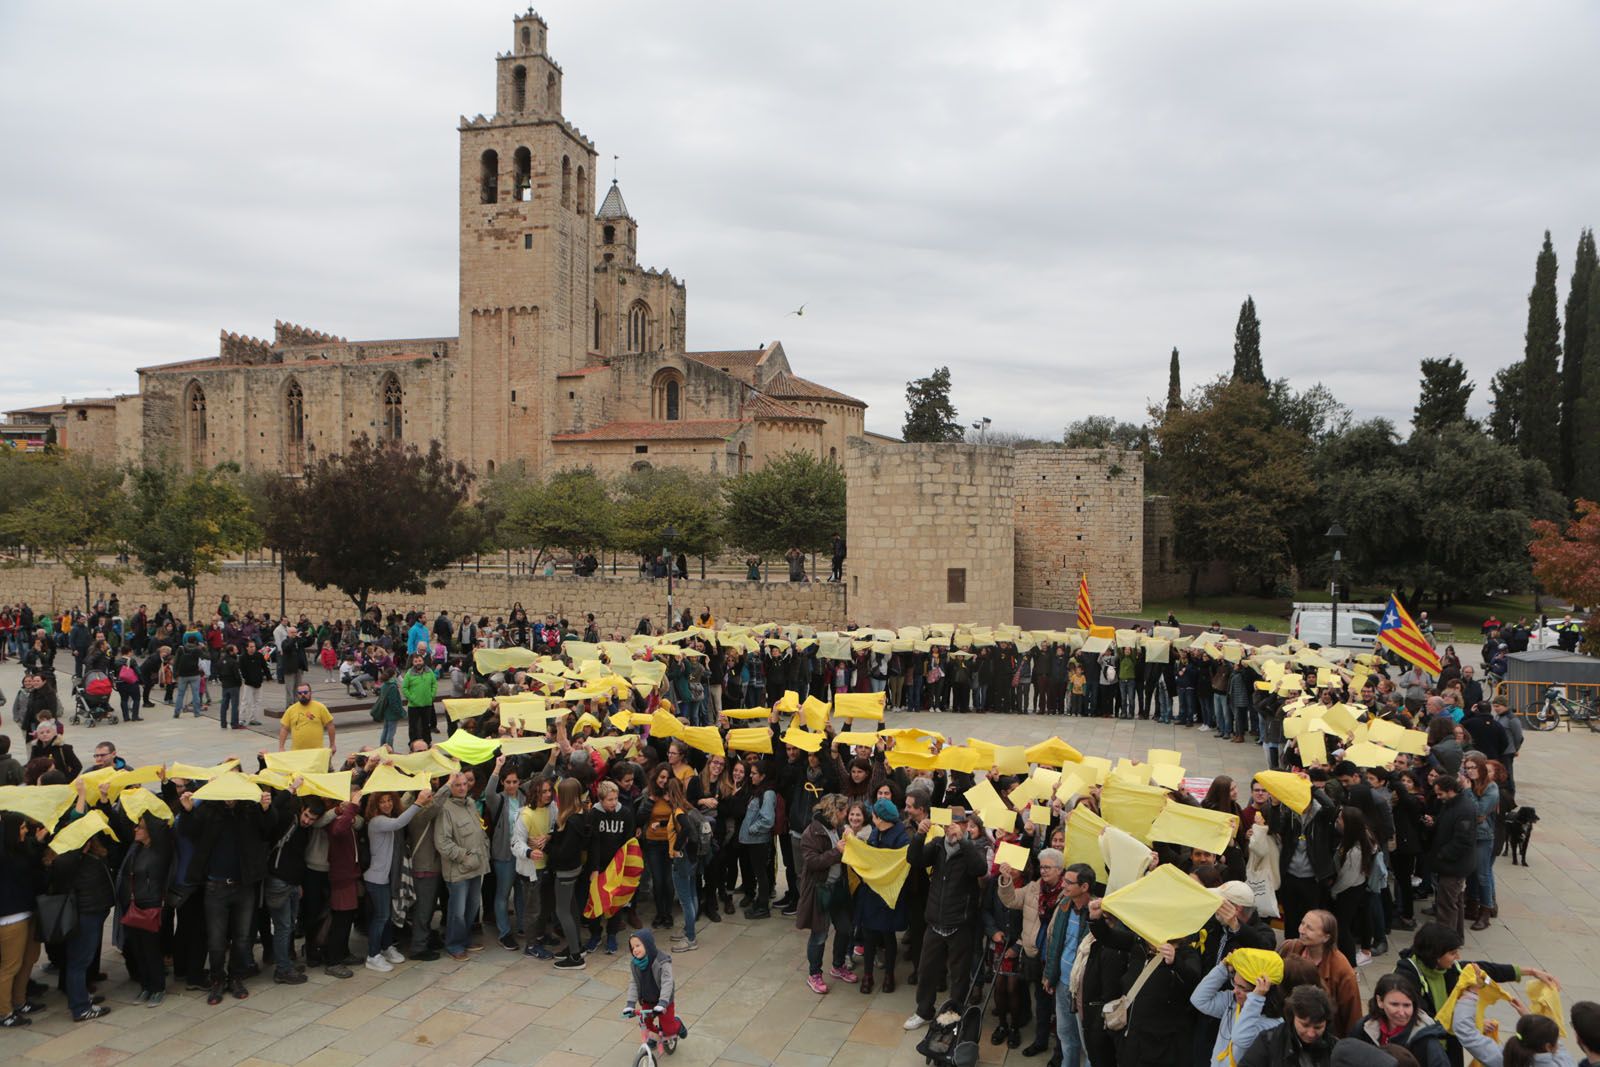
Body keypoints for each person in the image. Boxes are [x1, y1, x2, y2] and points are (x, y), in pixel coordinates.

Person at [904, 810, 989, 1032]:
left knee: (959, 975)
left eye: (959, 824)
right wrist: (919, 836)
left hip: (960, 922)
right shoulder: (938, 844)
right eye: (949, 824)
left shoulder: (973, 848)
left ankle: (954, 1014)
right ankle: (923, 1011)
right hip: (935, 920)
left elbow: (981, 869)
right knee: (927, 970)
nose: (952, 828)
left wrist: (963, 842)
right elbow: (914, 859)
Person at [362, 785, 433, 972]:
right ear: (375, 805)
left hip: (386, 878)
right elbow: (398, 823)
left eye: (389, 800)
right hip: (376, 879)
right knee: (381, 917)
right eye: (382, 801)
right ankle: (372, 955)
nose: (386, 804)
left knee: (386, 917)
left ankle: (385, 948)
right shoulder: (377, 821)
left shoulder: (387, 818)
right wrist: (418, 802)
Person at [1039, 860, 1096, 1066]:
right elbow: (1054, 941)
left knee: (1088, 1041)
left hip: (1083, 989)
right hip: (1062, 983)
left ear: (1084, 887)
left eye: (1069, 883)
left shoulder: (1097, 914)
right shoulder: (1063, 906)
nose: (1063, 886)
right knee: (1065, 1035)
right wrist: (1049, 974)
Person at [796, 793, 854, 994]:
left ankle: (838, 966)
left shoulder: (837, 828)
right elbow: (812, 862)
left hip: (837, 887)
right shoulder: (812, 832)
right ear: (834, 811)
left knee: (845, 928)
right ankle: (814, 974)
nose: (847, 815)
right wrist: (836, 852)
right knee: (819, 934)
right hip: (820, 890)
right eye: (844, 811)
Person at [434, 771, 490, 960]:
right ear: (450, 787)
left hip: (477, 866)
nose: (462, 787)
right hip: (458, 870)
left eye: (465, 784)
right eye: (458, 785)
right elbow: (442, 842)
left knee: (473, 907)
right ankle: (454, 944)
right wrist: (464, 857)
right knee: (457, 911)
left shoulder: (471, 803)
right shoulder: (445, 809)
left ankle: (464, 938)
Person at [1280, 910, 1363, 1037]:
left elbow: (1352, 1013)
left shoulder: (1341, 969)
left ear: (1326, 937)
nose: (1302, 930)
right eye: (1302, 924)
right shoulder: (1290, 948)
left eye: (1310, 928)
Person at [855, 798, 909, 995]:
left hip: (888, 895)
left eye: (874, 815)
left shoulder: (901, 839)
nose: (872, 818)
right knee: (869, 935)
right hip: (872, 892)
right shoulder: (876, 833)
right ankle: (867, 975)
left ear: (881, 818)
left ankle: (889, 975)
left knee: (888, 936)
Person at [1349, 973, 1449, 1067]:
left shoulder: (1428, 1043)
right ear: (1380, 1001)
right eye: (1394, 1004)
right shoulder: (1363, 1028)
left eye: (1407, 1005)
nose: (1401, 1012)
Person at [1240, 986, 1339, 1067]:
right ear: (1292, 1017)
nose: (1311, 1033)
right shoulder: (1268, 1042)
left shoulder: (1335, 1048)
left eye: (1318, 1027)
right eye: (1304, 1025)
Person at [1428, 774, 1477, 937]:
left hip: (1454, 865)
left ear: (1450, 791)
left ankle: (1445, 940)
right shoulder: (1451, 804)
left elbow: (1463, 840)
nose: (1438, 797)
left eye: (1440, 794)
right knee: (1454, 902)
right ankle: (1456, 936)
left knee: (1447, 904)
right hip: (1451, 863)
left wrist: (1442, 854)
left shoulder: (1464, 809)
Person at [623, 930, 689, 1044]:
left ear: (647, 945)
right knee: (644, 1023)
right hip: (647, 1000)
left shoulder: (662, 961)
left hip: (663, 1001)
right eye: (632, 947)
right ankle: (653, 1036)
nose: (635, 950)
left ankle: (677, 1024)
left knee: (669, 1029)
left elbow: (667, 982)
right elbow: (634, 983)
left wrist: (663, 1002)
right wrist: (630, 1004)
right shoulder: (635, 964)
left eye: (638, 945)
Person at [277, 685, 335, 754]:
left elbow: (330, 725)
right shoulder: (291, 709)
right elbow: (284, 728)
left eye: (305, 692)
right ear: (297, 695)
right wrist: (281, 747)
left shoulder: (320, 707)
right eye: (300, 693)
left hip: (317, 752)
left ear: (310, 693)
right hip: (297, 753)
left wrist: (332, 744)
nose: (303, 695)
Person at [401, 653, 439, 747]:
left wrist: (432, 695)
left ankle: (427, 742)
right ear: (413, 663)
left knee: (426, 725)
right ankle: (413, 743)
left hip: (427, 703)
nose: (418, 663)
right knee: (413, 726)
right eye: (416, 661)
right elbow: (404, 688)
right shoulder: (409, 673)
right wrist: (412, 698)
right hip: (414, 705)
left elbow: (434, 683)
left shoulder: (429, 671)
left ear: (423, 661)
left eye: (420, 661)